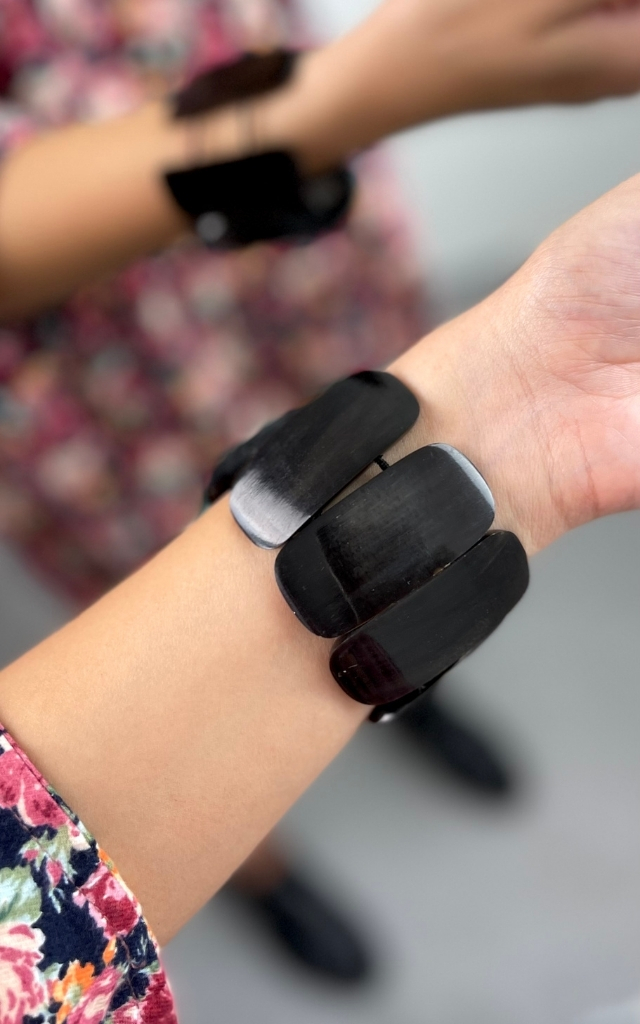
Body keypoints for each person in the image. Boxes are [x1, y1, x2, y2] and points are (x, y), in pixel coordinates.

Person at [2, 0, 640, 988]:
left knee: (409, 520)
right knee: (157, 605)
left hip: (295, 269)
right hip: (94, 385)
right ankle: (252, 869)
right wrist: (341, 96)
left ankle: (399, 683)